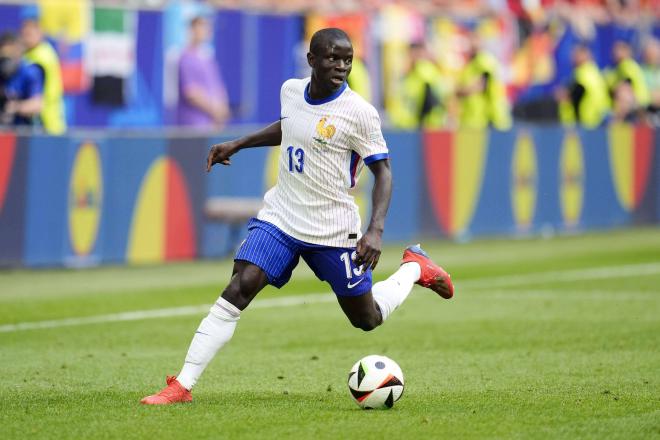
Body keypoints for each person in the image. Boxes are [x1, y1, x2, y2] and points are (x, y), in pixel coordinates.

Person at [141, 28, 454, 405]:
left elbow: (384, 172)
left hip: (333, 228)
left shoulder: (359, 113)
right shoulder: (291, 90)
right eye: (332, 58)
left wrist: (375, 229)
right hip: (282, 217)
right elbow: (290, 126)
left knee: (366, 318)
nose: (341, 66)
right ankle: (182, 385)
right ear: (311, 60)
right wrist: (239, 143)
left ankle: (415, 268)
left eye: (347, 59)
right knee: (240, 285)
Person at [176, 15, 230, 129]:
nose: (204, 31)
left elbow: (218, 87)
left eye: (206, 27)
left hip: (212, 125)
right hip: (195, 125)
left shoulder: (208, 58)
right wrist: (215, 111)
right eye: (200, 27)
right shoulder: (186, 58)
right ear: (191, 30)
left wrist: (222, 111)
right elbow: (191, 92)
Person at [20, 9, 66, 134]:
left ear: (41, 32)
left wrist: (15, 107)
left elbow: (36, 102)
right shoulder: (31, 53)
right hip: (48, 126)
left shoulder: (41, 57)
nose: (27, 32)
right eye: (25, 28)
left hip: (45, 126)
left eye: (32, 28)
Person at [456, 34, 511, 130]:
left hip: (487, 119)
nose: (471, 46)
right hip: (473, 119)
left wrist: (461, 90)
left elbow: (480, 85)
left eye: (474, 42)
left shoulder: (483, 60)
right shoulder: (470, 64)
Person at [388, 42, 445, 129]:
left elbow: (431, 101)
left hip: (423, 128)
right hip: (407, 126)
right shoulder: (410, 76)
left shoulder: (424, 71)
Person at [556, 44, 610, 128]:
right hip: (598, 121)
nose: (573, 58)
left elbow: (570, 97)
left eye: (576, 55)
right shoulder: (594, 72)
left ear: (585, 55)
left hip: (586, 124)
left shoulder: (582, 74)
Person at [0, 32, 43, 128]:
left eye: (10, 56)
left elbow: (37, 105)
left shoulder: (30, 72)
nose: (6, 63)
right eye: (3, 58)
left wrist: (16, 107)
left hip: (25, 132)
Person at [606, 40, 650, 122]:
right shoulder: (622, 67)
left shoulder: (627, 65)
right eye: (615, 50)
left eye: (619, 50)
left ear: (627, 51)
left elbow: (625, 90)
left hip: (636, 107)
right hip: (638, 106)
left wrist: (618, 116)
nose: (616, 52)